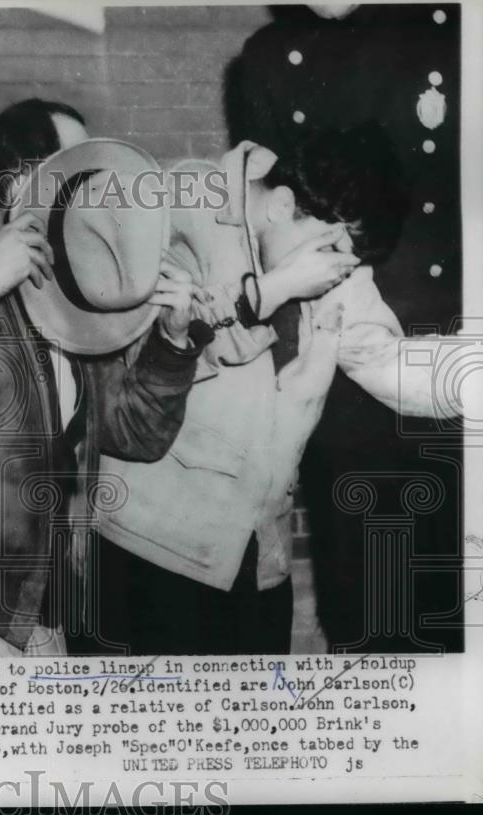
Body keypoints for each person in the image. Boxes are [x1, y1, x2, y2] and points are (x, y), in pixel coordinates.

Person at [91, 124, 465, 655]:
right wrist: (277, 289)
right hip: (151, 553)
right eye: (333, 245)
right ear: (283, 203)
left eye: (351, 255)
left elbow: (393, 365)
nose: (339, 267)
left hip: (259, 566)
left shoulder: (331, 253)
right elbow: (141, 340)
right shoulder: (184, 201)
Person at [0, 99, 209, 657]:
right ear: (16, 188)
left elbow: (135, 434)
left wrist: (173, 344)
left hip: (46, 613)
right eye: (73, 174)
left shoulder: (70, 301)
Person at [227, 3, 463, 652]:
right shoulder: (269, 58)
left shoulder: (453, 26)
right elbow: (280, 233)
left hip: (460, 341)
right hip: (356, 375)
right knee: (375, 620)